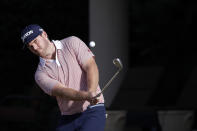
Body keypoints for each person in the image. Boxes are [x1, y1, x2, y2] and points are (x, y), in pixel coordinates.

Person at [20, 24, 106, 131]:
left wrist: (92, 91)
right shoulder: (40, 74)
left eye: (35, 41)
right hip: (68, 117)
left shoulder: (72, 42)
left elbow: (90, 66)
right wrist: (87, 95)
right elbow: (62, 91)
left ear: (44, 35)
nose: (34, 48)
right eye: (30, 46)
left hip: (93, 110)